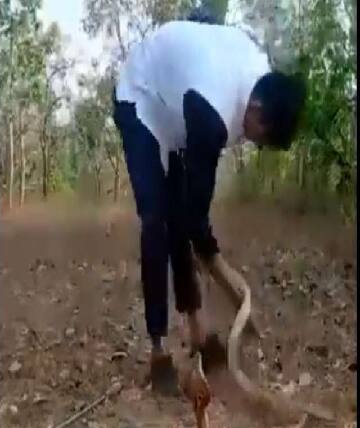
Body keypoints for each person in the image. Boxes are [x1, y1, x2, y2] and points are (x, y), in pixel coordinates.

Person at [112, 20, 306, 395]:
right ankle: (158, 353)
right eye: (261, 138)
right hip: (142, 95)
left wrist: (224, 275)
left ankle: (198, 331)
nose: (253, 144)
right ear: (257, 108)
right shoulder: (212, 113)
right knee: (157, 221)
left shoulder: (256, 72)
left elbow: (192, 218)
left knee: (180, 219)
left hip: (178, 107)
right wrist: (226, 276)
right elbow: (195, 218)